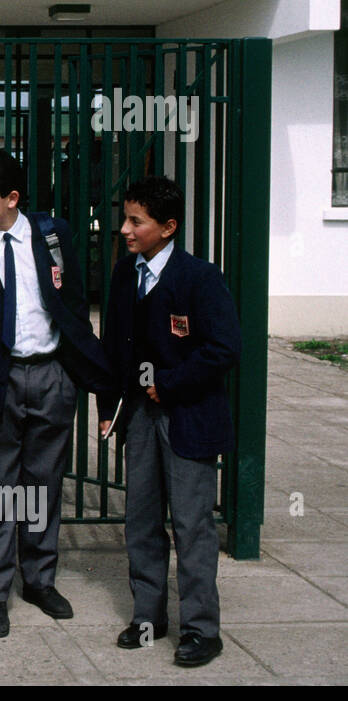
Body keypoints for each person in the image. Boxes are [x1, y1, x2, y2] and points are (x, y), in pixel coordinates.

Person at [0, 150, 110, 638]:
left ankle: (40, 581)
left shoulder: (54, 236)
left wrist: (89, 378)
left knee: (43, 486)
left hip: (52, 377)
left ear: (11, 199)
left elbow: (72, 306)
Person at [97, 176, 240, 668]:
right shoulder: (124, 274)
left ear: (168, 226)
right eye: (126, 218)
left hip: (188, 419)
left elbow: (224, 347)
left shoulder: (199, 277)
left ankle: (202, 629)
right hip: (138, 417)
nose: (125, 229)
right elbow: (115, 344)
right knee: (140, 520)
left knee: (191, 525)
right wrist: (107, 406)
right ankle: (148, 616)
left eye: (137, 221)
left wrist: (171, 382)